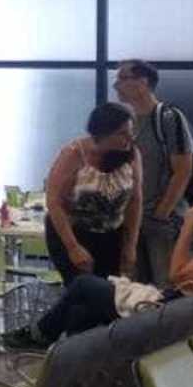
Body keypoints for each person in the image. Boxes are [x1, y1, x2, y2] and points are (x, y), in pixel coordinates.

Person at [5, 181, 193, 349]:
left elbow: (176, 275)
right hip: (184, 311)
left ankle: (41, 335)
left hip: (168, 314)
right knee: (81, 310)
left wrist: (188, 226)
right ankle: (75, 367)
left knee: (83, 284)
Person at [112, 59, 193, 286]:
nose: (116, 85)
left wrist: (162, 212)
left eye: (122, 78)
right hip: (132, 218)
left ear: (143, 82)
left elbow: (183, 170)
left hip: (161, 220)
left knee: (166, 285)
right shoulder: (126, 122)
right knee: (136, 289)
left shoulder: (168, 117)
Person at [43, 102, 143, 284]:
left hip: (113, 232)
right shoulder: (73, 154)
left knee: (110, 290)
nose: (129, 138)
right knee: (83, 289)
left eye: (131, 132)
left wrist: (131, 245)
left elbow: (135, 201)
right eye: (122, 133)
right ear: (103, 132)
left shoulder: (131, 154)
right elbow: (54, 201)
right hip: (73, 232)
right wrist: (73, 247)